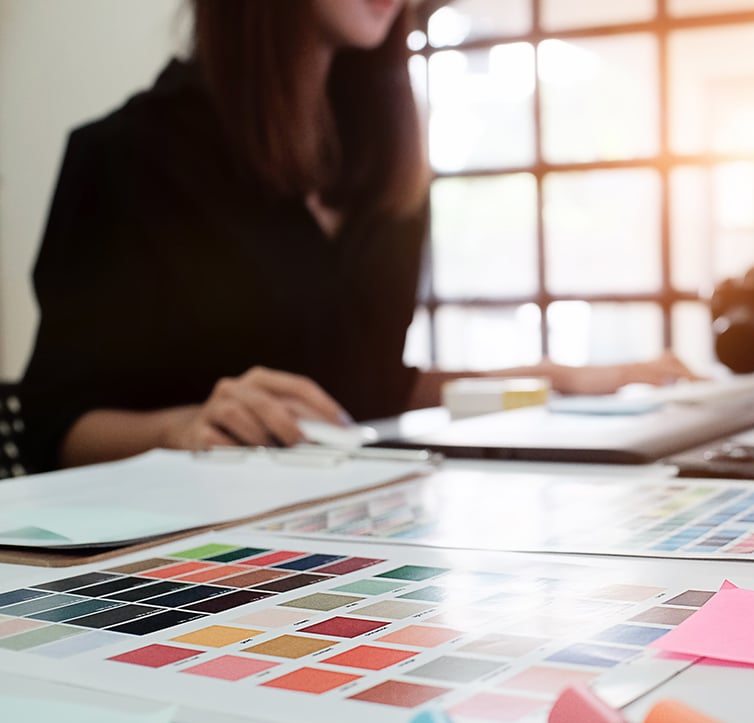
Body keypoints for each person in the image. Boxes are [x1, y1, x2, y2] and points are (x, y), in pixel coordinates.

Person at [19, 0, 693, 474]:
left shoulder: (385, 171)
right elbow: (54, 427)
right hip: (180, 563)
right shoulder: (124, 157)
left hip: (356, 534)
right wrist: (183, 428)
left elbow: (368, 391)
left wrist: (562, 380)